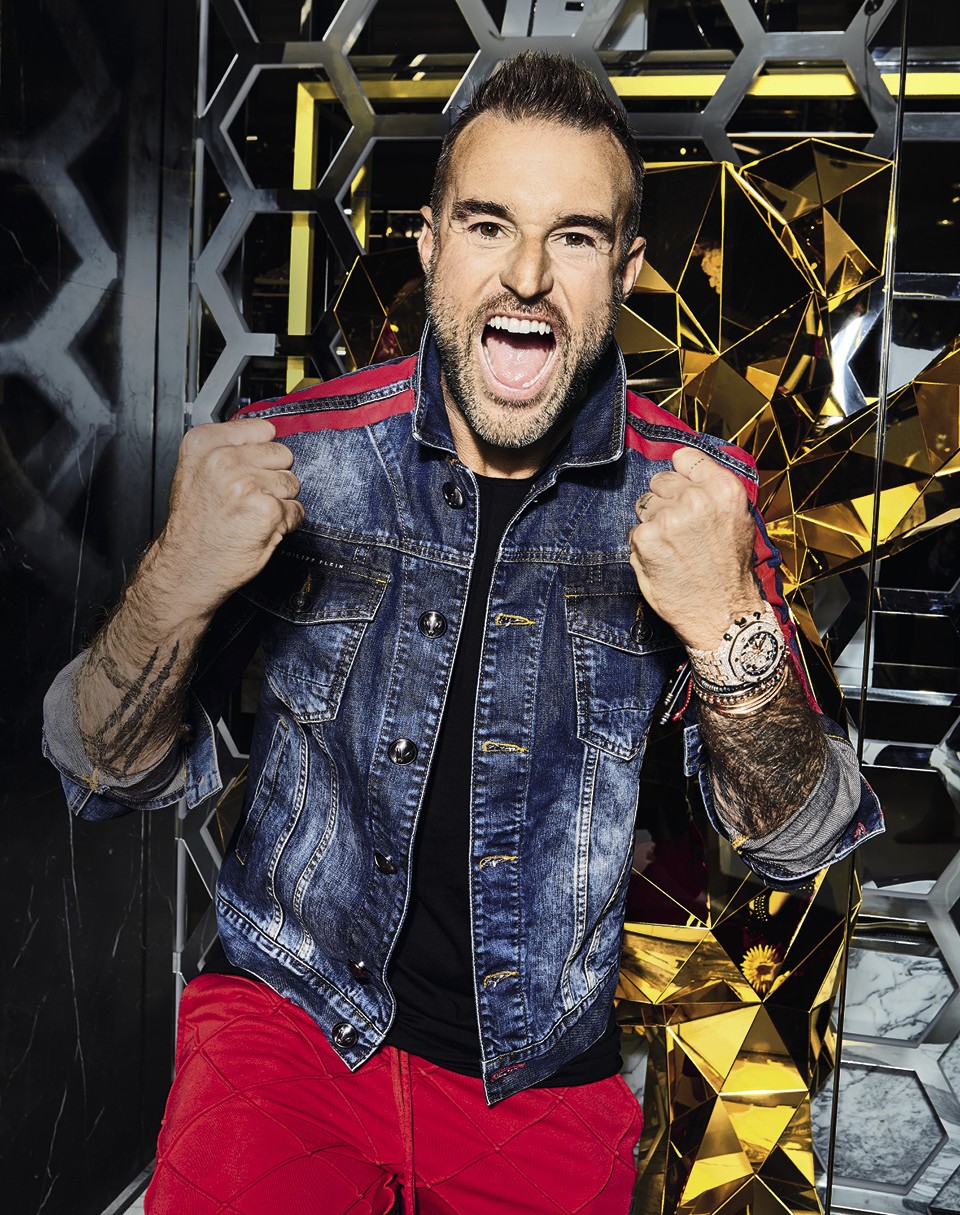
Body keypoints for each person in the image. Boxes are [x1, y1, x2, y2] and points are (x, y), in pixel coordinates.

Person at [43, 52, 882, 1215]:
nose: (527, 276)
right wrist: (177, 580)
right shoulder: (296, 455)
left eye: (575, 237)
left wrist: (725, 620)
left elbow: (803, 834)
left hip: (540, 1076)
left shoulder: (698, 497)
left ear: (628, 271)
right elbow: (98, 765)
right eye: (489, 225)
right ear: (431, 243)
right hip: (286, 1027)